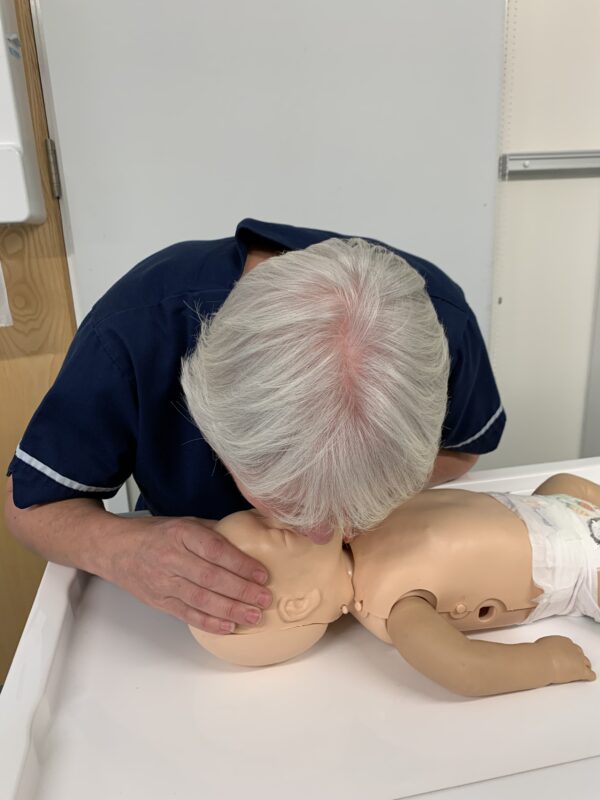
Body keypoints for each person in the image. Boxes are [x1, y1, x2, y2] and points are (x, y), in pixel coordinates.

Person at [4, 219, 505, 635]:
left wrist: (372, 500)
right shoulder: (134, 331)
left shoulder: (440, 323)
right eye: (289, 505)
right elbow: (26, 504)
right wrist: (122, 551)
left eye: (353, 509)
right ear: (211, 427)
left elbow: (463, 450)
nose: (321, 535)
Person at [191, 473, 600, 697]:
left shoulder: (355, 520)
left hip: (549, 504)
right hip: (577, 564)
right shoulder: (393, 607)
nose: (284, 511)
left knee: (565, 480)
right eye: (277, 530)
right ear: (299, 604)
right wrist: (544, 662)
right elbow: (465, 668)